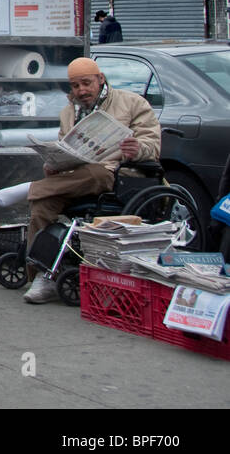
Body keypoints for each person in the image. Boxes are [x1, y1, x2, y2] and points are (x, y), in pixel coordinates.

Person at [22, 56, 160, 304]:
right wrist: (54, 164)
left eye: (86, 83)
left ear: (100, 79)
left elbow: (152, 145)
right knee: (42, 204)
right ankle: (43, 275)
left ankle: (28, 189)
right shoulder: (69, 112)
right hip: (76, 177)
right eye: (75, 86)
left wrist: (136, 149)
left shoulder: (131, 103)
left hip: (118, 176)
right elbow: (67, 148)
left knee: (96, 173)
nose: (81, 91)